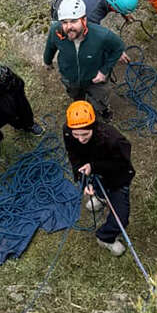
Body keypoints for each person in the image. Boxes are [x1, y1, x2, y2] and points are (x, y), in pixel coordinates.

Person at [62, 101, 135, 257]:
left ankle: (105, 237)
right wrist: (83, 180)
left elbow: (122, 165)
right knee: (97, 186)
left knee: (121, 218)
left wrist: (93, 167)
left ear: (93, 127)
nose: (80, 139)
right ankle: (101, 197)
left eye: (85, 134)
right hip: (94, 173)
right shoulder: (68, 131)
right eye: (76, 134)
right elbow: (73, 155)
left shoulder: (113, 140)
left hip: (117, 178)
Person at [43, 0, 126, 120]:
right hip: (70, 77)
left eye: (73, 21)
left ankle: (103, 111)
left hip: (95, 79)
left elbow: (118, 47)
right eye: (64, 22)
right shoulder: (56, 31)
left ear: (84, 20)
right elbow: (50, 46)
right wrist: (47, 61)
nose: (68, 27)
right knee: (76, 96)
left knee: (100, 98)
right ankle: (80, 104)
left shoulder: (101, 35)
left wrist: (104, 71)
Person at [51, 0, 139, 64]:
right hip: (62, 12)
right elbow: (93, 37)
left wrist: (124, 13)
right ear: (112, 7)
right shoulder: (90, 14)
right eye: (117, 10)